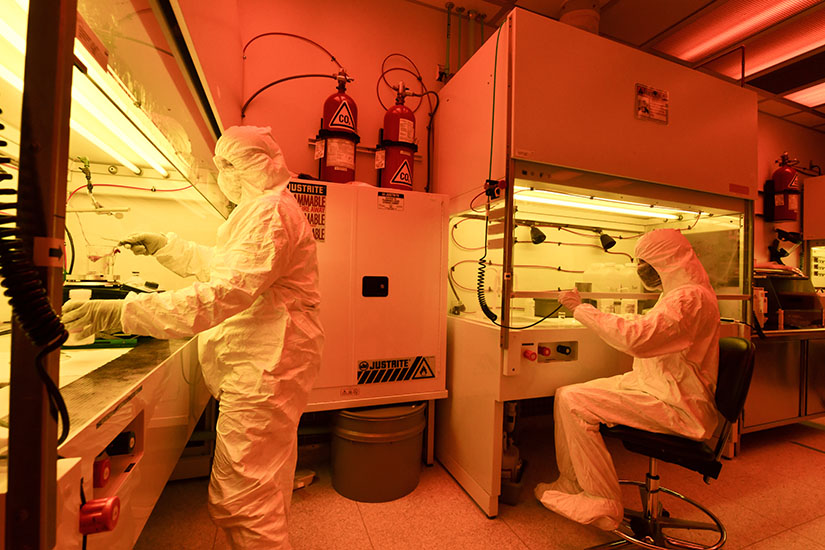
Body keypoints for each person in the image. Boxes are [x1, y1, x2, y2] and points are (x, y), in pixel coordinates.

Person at [62, 125, 324, 549]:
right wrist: (167, 247)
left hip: (266, 368)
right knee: (259, 485)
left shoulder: (270, 212)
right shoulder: (263, 209)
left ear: (251, 166)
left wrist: (121, 312)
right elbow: (226, 265)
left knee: (245, 497)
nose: (223, 175)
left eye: (227, 165)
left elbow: (224, 294)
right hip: (267, 366)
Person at [534, 228, 720, 531]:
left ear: (667, 261)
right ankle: (571, 483)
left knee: (575, 402)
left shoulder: (689, 298)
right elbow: (651, 326)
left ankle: (601, 499)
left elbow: (638, 339)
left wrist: (581, 309)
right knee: (567, 392)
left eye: (646, 263)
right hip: (655, 385)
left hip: (677, 402)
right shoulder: (679, 293)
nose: (640, 270)